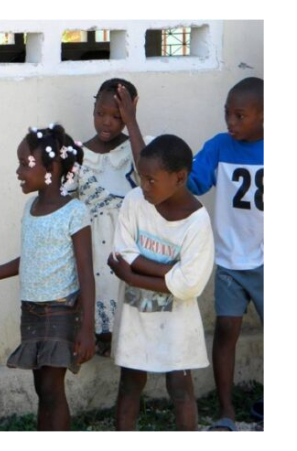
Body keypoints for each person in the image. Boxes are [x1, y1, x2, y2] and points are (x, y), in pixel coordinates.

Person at [0, 124, 95, 431]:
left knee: (50, 389)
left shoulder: (74, 212)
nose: (18, 171)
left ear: (52, 167)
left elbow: (86, 273)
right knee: (41, 390)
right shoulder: (29, 207)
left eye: (25, 163)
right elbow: (31, 259)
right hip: (31, 312)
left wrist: (87, 328)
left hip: (60, 311)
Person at [107, 135, 214, 431]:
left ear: (179, 178)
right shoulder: (134, 202)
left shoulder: (197, 223)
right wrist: (168, 270)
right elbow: (122, 252)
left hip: (178, 323)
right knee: (130, 384)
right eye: (142, 178)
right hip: (136, 316)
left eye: (151, 180)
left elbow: (190, 284)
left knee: (180, 389)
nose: (144, 187)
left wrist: (132, 276)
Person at [187, 77, 264, 432]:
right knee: (225, 332)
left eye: (240, 116)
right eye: (227, 114)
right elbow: (192, 183)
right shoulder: (219, 146)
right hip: (230, 260)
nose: (230, 123)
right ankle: (227, 412)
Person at [72, 78, 151, 357]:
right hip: (95, 244)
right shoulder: (78, 155)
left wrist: (132, 123)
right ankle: (101, 338)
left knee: (130, 305)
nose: (106, 122)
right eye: (100, 114)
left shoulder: (139, 148)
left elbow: (147, 171)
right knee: (102, 288)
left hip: (130, 240)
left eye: (117, 116)